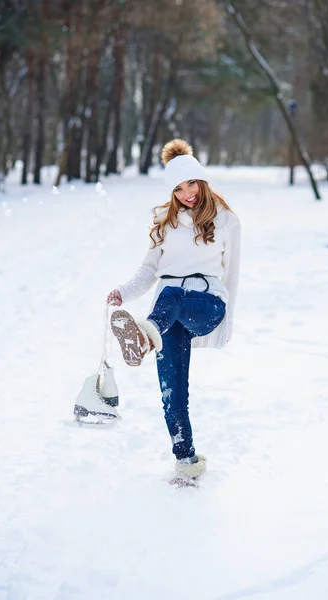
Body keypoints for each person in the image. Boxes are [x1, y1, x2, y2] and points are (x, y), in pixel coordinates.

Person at [106, 139, 241, 481]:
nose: (187, 193)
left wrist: (226, 325)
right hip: (166, 313)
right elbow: (149, 270)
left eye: (191, 183)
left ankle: (145, 336)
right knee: (172, 392)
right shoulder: (162, 220)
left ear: (202, 179)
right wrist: (123, 292)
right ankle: (186, 461)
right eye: (178, 188)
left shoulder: (226, 220)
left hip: (207, 304)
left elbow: (233, 273)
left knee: (175, 295)